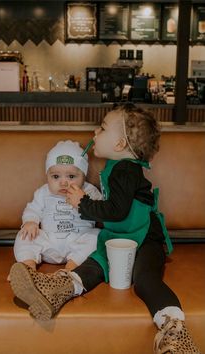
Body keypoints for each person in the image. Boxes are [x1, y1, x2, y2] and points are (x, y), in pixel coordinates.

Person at [10, 104, 200, 354]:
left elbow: (116, 211)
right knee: (93, 266)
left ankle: (174, 333)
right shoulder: (113, 168)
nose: (95, 131)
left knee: (145, 281)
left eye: (102, 128)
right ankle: (55, 290)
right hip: (118, 237)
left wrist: (82, 203)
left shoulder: (126, 170)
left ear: (120, 144)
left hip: (146, 241)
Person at [12, 140, 102, 272]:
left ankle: (71, 267)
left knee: (98, 236)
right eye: (55, 176)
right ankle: (27, 267)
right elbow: (33, 209)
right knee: (23, 235)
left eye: (71, 176)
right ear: (47, 176)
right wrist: (31, 222)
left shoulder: (90, 191)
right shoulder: (43, 192)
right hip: (49, 242)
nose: (63, 182)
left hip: (78, 241)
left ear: (83, 176)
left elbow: (102, 209)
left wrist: (87, 201)